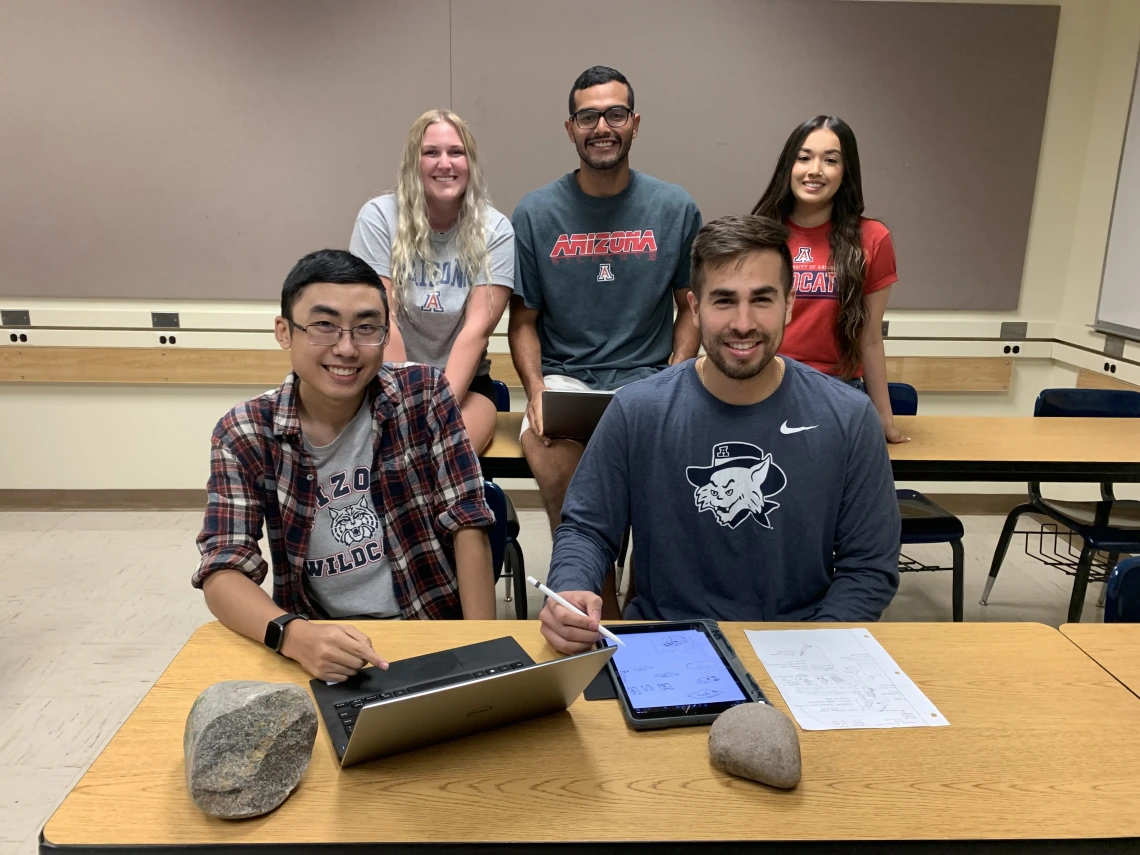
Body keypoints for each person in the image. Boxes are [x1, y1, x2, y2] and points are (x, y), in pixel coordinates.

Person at [538, 215, 901, 654]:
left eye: (762, 300)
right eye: (724, 301)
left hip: (802, 643)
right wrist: (571, 587)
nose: (743, 323)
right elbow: (587, 528)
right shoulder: (638, 410)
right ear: (694, 308)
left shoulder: (847, 416)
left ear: (789, 305)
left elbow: (869, 565)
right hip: (666, 643)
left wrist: (816, 650)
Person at [193, 249, 496, 681]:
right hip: (323, 637)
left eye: (367, 328)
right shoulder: (245, 432)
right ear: (284, 332)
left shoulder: (423, 394)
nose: (347, 348)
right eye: (324, 326)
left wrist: (480, 652)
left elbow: (466, 522)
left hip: (430, 623)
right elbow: (223, 567)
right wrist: (294, 636)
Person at [508, 64, 702, 540]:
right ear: (571, 128)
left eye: (615, 114)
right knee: (548, 452)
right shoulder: (536, 213)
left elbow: (691, 307)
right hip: (565, 381)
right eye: (588, 117)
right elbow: (523, 322)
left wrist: (677, 375)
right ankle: (595, 596)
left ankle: (646, 599)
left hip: (648, 380)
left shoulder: (675, 208)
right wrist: (536, 391)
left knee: (673, 472)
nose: (602, 128)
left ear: (635, 123)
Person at [350, 110, 514, 453]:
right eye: (431, 153)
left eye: (456, 152)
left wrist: (432, 411)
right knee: (384, 459)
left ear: (470, 162)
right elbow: (382, 318)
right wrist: (404, 406)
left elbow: (477, 330)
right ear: (414, 162)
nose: (445, 163)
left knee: (442, 458)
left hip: (465, 388)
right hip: (384, 382)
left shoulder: (495, 230)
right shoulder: (379, 217)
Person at [751, 115, 909, 444]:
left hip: (837, 390)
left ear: (846, 171)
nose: (815, 170)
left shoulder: (873, 239)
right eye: (804, 157)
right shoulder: (759, 233)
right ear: (788, 166)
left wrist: (884, 418)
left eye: (831, 160)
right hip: (763, 385)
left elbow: (870, 339)